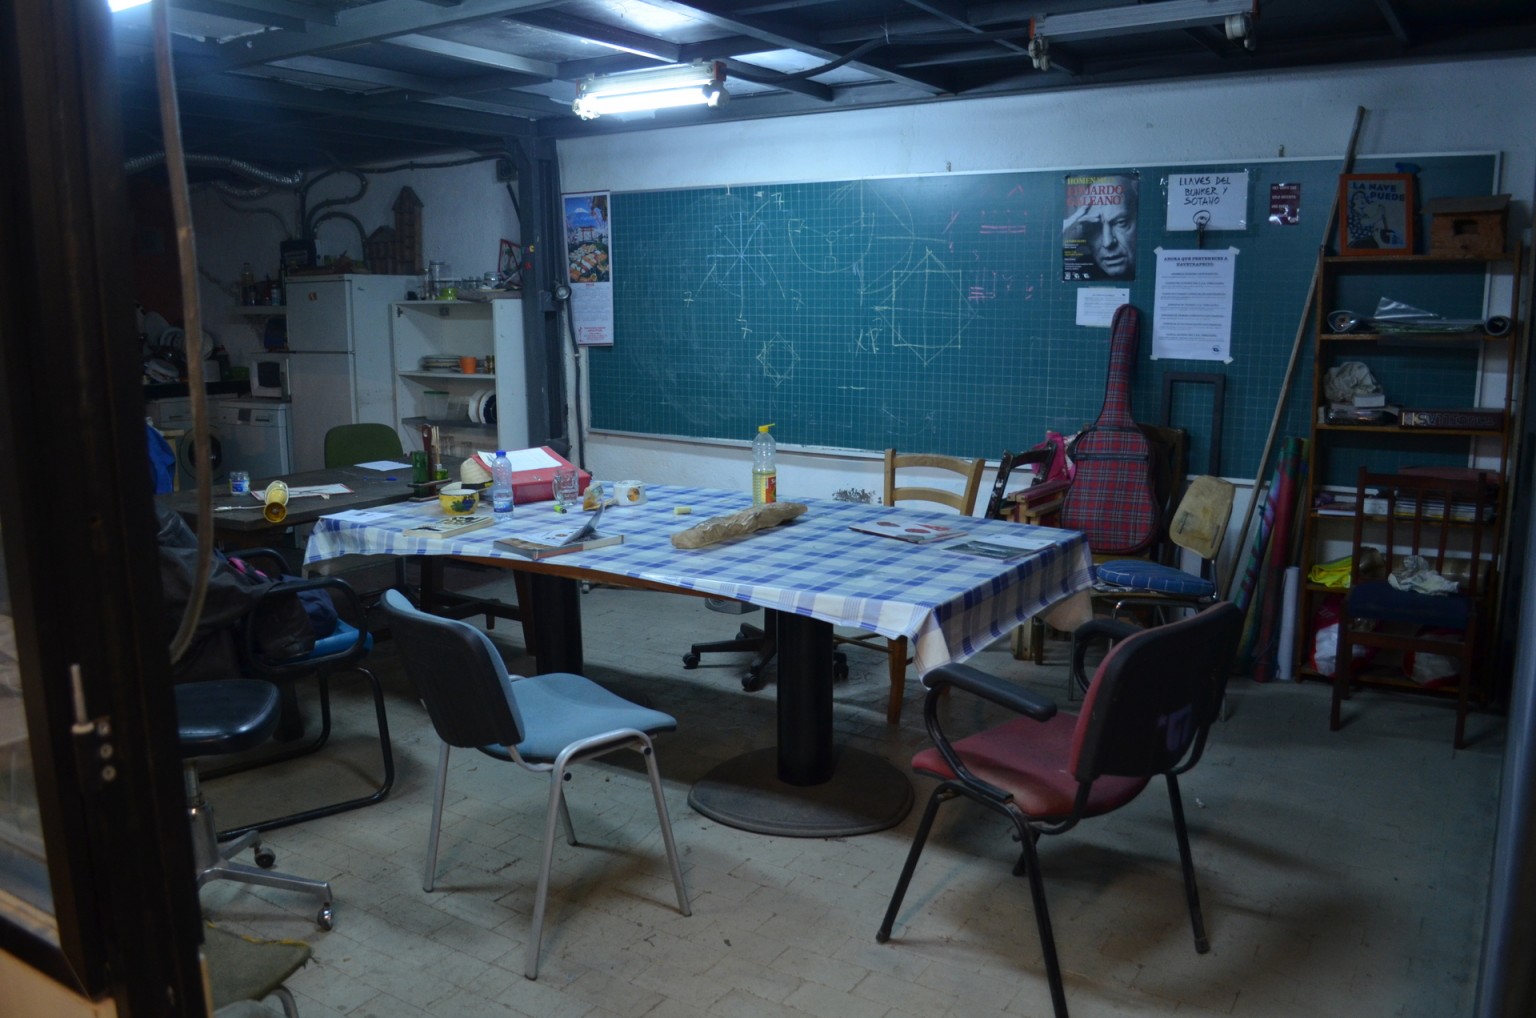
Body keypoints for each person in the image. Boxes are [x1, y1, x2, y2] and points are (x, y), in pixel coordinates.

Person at [1063, 184, 1138, 280]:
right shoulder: (1078, 271)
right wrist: (1063, 245)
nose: (1108, 242)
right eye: (1094, 228)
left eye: (1121, 223)